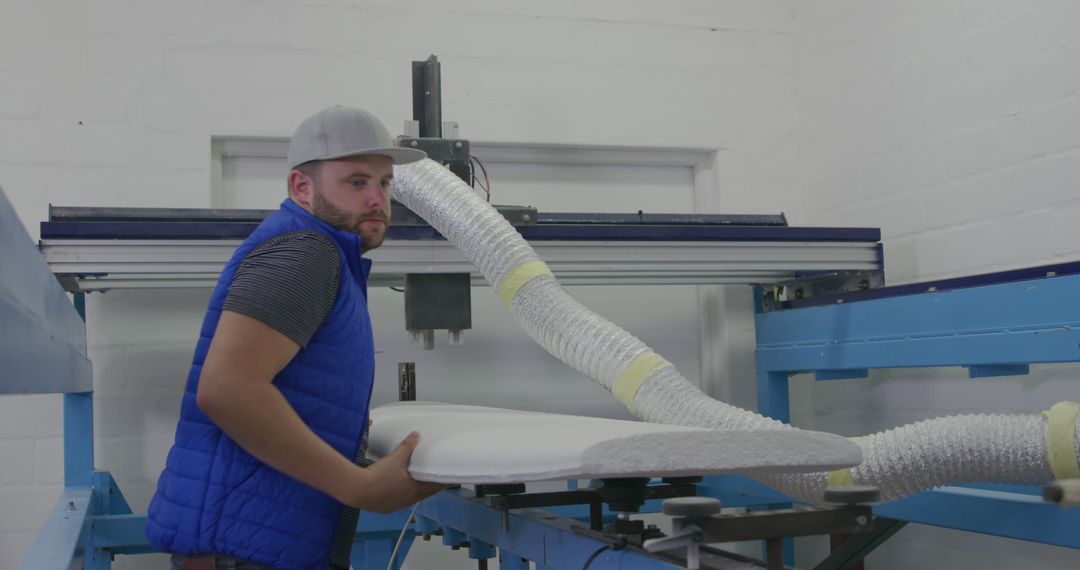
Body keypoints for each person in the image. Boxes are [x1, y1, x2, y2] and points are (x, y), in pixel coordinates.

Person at [146, 106, 446, 570]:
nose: (377, 199)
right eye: (356, 182)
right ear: (301, 188)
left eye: (384, 184)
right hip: (245, 552)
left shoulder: (324, 254)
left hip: (261, 543)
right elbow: (227, 390)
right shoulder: (305, 253)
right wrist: (359, 486)